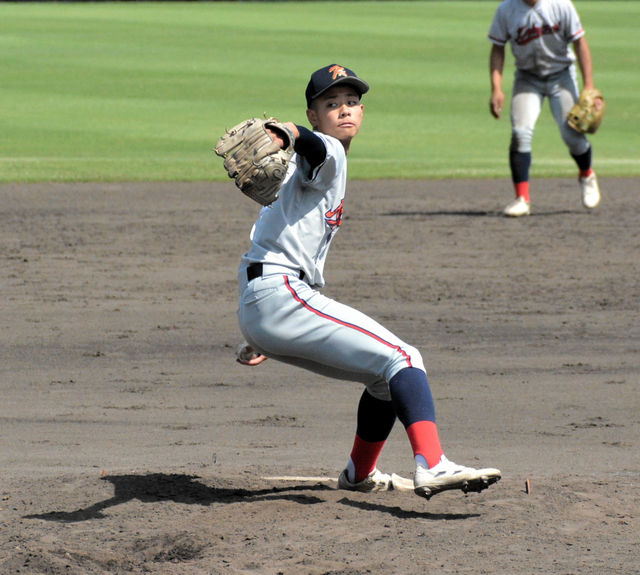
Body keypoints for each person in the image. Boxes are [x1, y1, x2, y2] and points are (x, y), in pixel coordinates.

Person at [232, 64, 501, 500]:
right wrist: (287, 132)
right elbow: (315, 147)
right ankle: (432, 463)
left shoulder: (291, 178)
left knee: (381, 380)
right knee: (403, 358)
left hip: (263, 302)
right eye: (331, 104)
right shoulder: (328, 152)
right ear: (313, 114)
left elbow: (271, 239)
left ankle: (359, 474)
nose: (344, 111)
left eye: (352, 102)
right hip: (279, 295)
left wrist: (261, 332)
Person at [488, 0, 602, 217]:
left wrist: (589, 87)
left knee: (572, 136)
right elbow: (497, 48)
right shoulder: (506, 10)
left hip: (562, 76)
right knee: (521, 132)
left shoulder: (561, 5)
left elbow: (580, 43)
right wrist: (497, 89)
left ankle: (586, 175)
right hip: (527, 78)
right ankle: (522, 198)